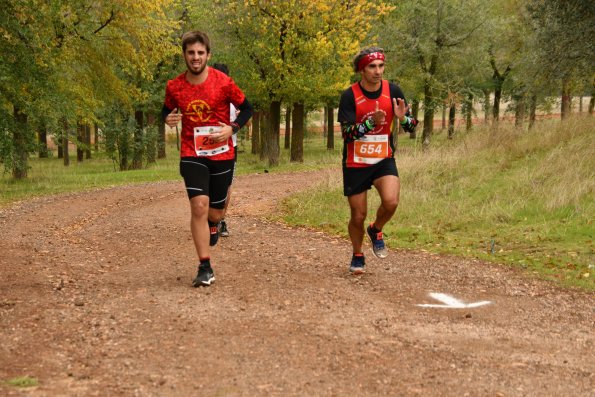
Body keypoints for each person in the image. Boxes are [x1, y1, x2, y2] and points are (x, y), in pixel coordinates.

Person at [163, 31, 253, 286]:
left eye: (200, 53)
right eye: (191, 53)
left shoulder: (223, 81)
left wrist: (232, 128)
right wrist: (167, 119)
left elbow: (248, 108)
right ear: (184, 55)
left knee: (215, 212)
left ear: (208, 55)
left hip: (222, 153)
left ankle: (215, 224)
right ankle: (205, 266)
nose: (195, 57)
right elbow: (167, 109)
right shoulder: (175, 86)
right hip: (192, 153)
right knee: (199, 206)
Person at [337, 46, 417, 275]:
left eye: (381, 66)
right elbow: (347, 134)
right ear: (362, 70)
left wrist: (403, 120)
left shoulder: (393, 91)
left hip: (383, 159)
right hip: (356, 162)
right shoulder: (349, 95)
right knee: (358, 215)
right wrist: (370, 123)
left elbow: (412, 127)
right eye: (372, 67)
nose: (378, 71)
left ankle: (376, 229)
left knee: (391, 202)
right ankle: (357, 254)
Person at [211, 63, 237, 238]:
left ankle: (220, 220)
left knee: (226, 186)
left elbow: (246, 122)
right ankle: (213, 220)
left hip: (229, 149)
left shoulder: (234, 100)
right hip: (207, 149)